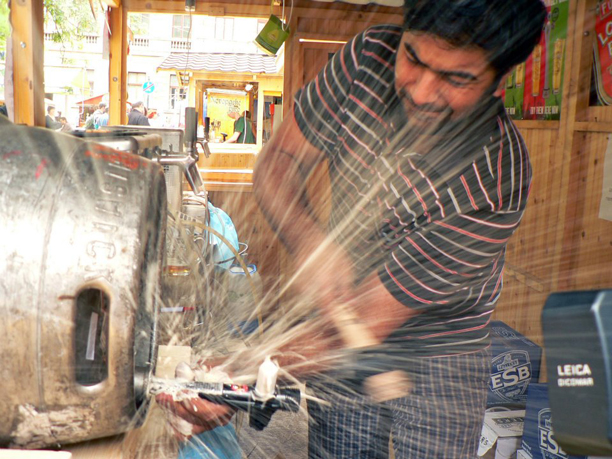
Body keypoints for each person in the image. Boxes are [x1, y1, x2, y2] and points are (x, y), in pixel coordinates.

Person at [157, 0, 547, 457]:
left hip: (445, 347)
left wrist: (234, 376)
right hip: (338, 323)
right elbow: (278, 163)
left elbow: (362, 323)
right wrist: (309, 241)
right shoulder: (366, 61)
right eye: (414, 59)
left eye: (456, 78)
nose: (422, 92)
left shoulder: (496, 175)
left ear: (499, 84)